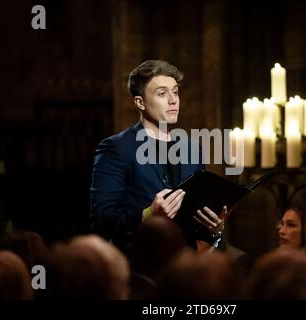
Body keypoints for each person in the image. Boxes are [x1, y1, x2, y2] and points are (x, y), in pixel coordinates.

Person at [90, 60, 227, 252]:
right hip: (140, 265)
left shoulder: (192, 150)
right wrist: (148, 214)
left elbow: (194, 226)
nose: (173, 100)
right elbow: (101, 219)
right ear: (140, 102)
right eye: (162, 93)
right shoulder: (116, 148)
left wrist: (214, 230)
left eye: (176, 92)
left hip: (183, 266)